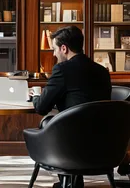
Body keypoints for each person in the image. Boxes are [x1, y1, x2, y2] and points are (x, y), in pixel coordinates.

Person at [30, 26, 111, 188]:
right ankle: (73, 182)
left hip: (72, 145)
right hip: (105, 144)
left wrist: (35, 97)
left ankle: (69, 182)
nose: (53, 54)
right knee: (74, 123)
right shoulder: (102, 71)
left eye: (54, 49)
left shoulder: (62, 69)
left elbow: (41, 107)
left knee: (49, 123)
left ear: (64, 48)